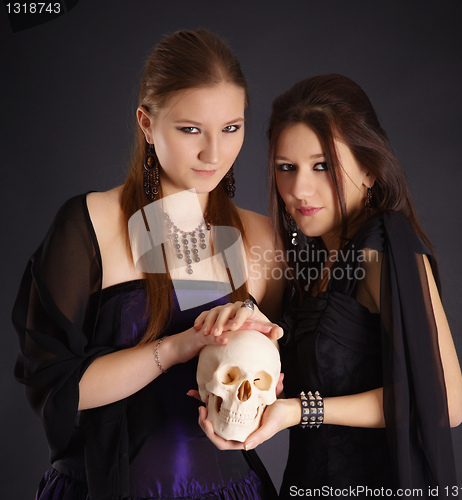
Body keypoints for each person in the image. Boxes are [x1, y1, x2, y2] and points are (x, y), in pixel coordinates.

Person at [13, 29, 284, 500]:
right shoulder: (89, 225)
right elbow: (56, 390)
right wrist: (178, 347)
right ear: (146, 122)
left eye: (231, 128)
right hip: (101, 488)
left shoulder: (259, 236)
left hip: (230, 489)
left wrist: (264, 351)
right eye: (190, 129)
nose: (213, 154)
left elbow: (280, 384)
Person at [197, 74, 462, 498]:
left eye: (322, 166)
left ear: (371, 169)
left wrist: (301, 411)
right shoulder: (313, 260)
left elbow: (445, 403)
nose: (299, 189)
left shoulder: (384, 245)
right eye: (286, 168)